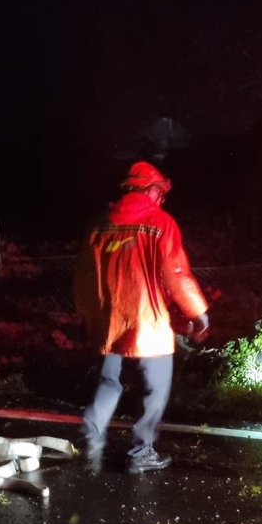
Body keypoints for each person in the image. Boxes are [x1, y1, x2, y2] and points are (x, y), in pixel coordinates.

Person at [74, 161, 210, 474]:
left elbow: (82, 276)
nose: (162, 198)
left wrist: (88, 317)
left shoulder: (97, 225)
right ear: (150, 190)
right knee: (154, 391)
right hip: (149, 326)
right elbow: (176, 273)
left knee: (109, 383)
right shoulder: (160, 223)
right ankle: (140, 454)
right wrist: (198, 312)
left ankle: (91, 440)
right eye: (160, 192)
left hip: (109, 324)